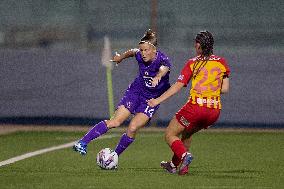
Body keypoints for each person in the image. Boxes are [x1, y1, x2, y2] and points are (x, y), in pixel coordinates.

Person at [73, 29, 172, 159]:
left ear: (154, 50)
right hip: (135, 92)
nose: (143, 53)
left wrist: (159, 76)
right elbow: (132, 52)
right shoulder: (139, 54)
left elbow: (164, 68)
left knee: (132, 128)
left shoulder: (163, 60)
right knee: (115, 122)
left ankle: (114, 157)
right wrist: (120, 57)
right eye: (141, 50)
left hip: (151, 100)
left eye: (146, 50)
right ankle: (82, 142)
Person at [147, 31, 230, 175]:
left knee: (170, 134)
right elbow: (225, 88)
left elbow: (177, 86)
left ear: (198, 45)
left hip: (196, 108)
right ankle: (176, 166)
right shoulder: (221, 62)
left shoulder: (193, 63)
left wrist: (157, 100)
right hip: (214, 111)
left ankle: (185, 156)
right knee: (187, 133)